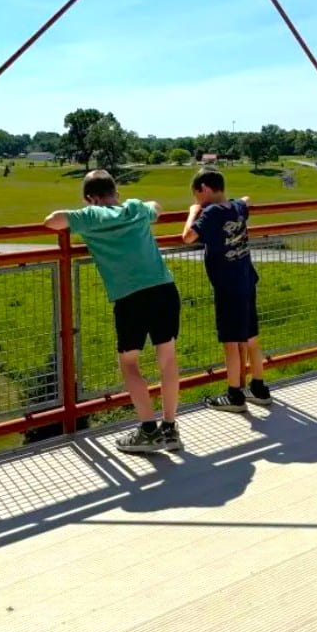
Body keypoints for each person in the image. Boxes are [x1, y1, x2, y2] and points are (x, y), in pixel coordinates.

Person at [44, 170, 182, 453]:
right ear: (115, 193)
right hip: (164, 289)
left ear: (90, 198)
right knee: (167, 359)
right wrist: (134, 205)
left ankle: (147, 430)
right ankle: (170, 428)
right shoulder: (134, 207)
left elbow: (52, 221)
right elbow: (156, 206)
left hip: (130, 297)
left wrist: (86, 213)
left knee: (130, 363)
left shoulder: (91, 216)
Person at [181, 168, 272, 413]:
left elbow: (187, 237)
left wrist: (192, 213)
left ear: (205, 189)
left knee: (231, 341)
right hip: (246, 278)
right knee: (251, 334)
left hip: (227, 285)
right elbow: (246, 200)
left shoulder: (210, 212)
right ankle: (259, 387)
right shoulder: (235, 208)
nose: (197, 200)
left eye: (197, 195)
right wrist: (237, 201)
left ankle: (234, 394)